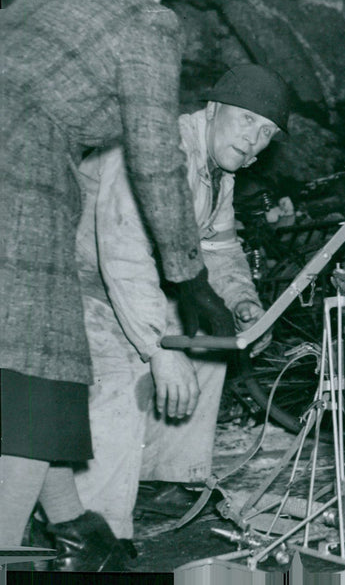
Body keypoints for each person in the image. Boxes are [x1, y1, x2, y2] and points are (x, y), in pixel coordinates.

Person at [0, 0, 236, 565]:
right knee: (35, 381)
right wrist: (189, 278)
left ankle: (79, 532)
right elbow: (155, 156)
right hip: (20, 188)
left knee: (29, 368)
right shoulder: (147, 20)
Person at [68, 64, 290, 550]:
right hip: (74, 283)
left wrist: (243, 302)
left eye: (267, 133)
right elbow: (123, 253)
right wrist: (158, 350)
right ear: (212, 110)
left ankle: (163, 477)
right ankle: (95, 532)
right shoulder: (157, 150)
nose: (254, 140)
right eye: (247, 120)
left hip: (127, 283)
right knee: (121, 382)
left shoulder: (217, 171)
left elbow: (219, 247)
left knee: (209, 345)